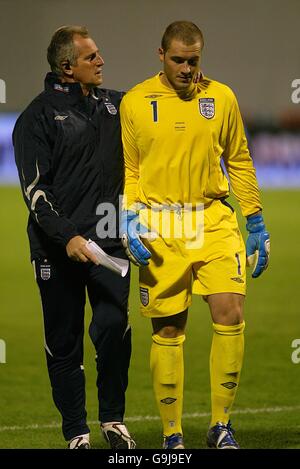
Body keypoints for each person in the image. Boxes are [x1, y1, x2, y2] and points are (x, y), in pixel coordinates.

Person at [120, 20, 270, 449]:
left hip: (212, 219)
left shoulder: (221, 97)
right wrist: (128, 216)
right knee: (168, 330)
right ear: (161, 56)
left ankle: (221, 425)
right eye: (179, 60)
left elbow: (239, 159)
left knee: (230, 313)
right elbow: (130, 169)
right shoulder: (135, 101)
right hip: (160, 225)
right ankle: (172, 435)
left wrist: (255, 220)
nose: (187, 69)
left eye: (194, 60)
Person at [13, 25, 135, 449]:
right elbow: (35, 192)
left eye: (99, 55)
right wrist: (66, 236)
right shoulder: (37, 117)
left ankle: (113, 421)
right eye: (91, 57)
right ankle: (76, 432)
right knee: (63, 342)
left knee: (114, 327)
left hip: (109, 242)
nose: (101, 62)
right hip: (56, 248)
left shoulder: (117, 106)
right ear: (67, 67)